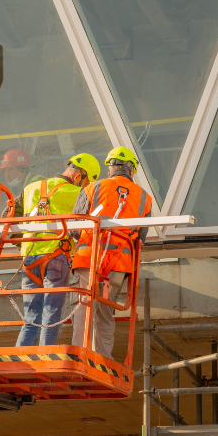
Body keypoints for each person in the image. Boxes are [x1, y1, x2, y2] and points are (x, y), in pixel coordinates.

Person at [70, 146, 153, 357]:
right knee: (105, 314)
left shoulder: (93, 188)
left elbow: (74, 227)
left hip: (88, 261)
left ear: (110, 169)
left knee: (83, 310)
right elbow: (140, 240)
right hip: (117, 268)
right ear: (131, 170)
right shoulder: (144, 197)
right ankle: (103, 361)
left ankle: (81, 358)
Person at [15, 153, 102, 347]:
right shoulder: (77, 193)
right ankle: (46, 355)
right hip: (56, 258)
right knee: (52, 314)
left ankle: (20, 359)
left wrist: (19, 241)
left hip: (29, 260)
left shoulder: (31, 188)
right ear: (79, 175)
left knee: (31, 316)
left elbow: (11, 213)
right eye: (85, 181)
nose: (84, 186)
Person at [0, 148, 44, 215]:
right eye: (6, 170)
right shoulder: (14, 190)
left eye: (10, 169)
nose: (6, 175)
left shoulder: (36, 185)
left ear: (22, 170)